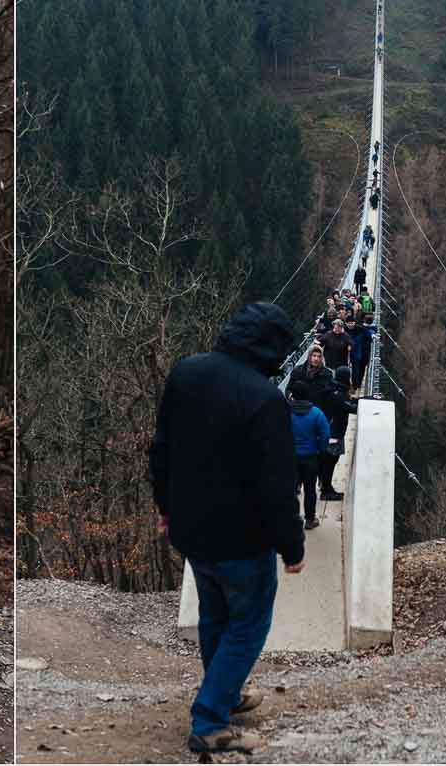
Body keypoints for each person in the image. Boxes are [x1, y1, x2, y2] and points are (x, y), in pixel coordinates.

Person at [149, 302, 305, 755]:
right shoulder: (263, 398)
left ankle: (228, 694)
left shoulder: (186, 372)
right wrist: (291, 546)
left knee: (215, 616)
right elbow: (277, 486)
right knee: (248, 625)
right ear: (271, 350)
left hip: (193, 531)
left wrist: (165, 505)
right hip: (243, 540)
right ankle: (210, 720)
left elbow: (161, 449)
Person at [288, 375, 330, 530]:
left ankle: (291, 518)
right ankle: (310, 519)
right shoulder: (316, 413)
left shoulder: (285, 412)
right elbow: (325, 435)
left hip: (290, 457)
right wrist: (319, 448)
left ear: (292, 395)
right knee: (310, 489)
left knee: (291, 489)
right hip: (310, 457)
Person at [319, 367, 356, 500]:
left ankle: (327, 488)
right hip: (334, 433)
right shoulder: (338, 394)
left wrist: (365, 399)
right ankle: (326, 491)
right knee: (330, 461)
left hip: (334, 431)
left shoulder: (337, 391)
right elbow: (349, 407)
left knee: (331, 461)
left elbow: (348, 403)